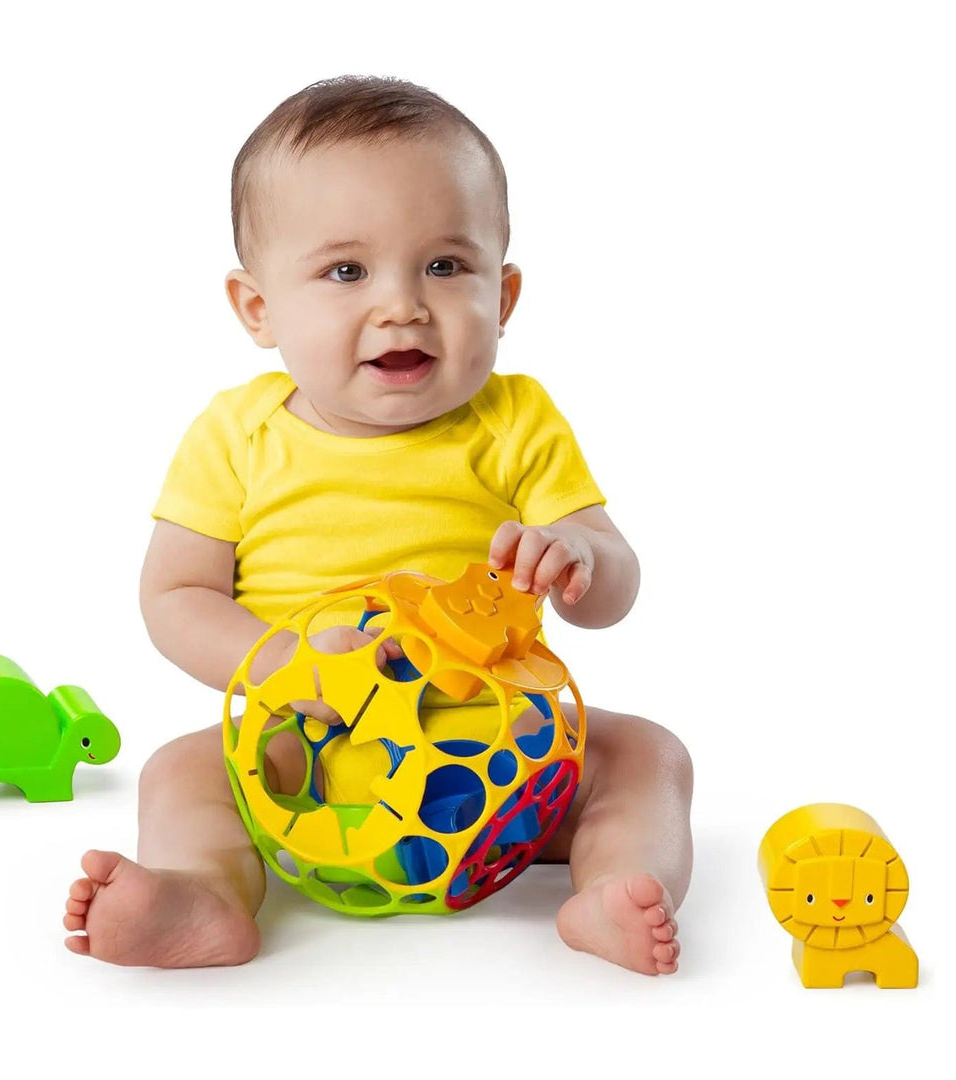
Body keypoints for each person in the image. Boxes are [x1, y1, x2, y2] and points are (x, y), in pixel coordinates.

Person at [62, 74, 693, 975]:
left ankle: (613, 888)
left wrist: (579, 556)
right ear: (259, 308)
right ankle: (200, 895)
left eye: (445, 265)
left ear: (503, 298)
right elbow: (174, 595)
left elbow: (613, 588)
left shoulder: (514, 421)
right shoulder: (237, 436)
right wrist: (281, 664)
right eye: (346, 271)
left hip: (496, 753)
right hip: (307, 750)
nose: (402, 305)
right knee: (180, 772)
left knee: (649, 755)